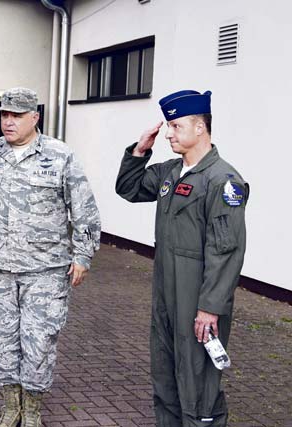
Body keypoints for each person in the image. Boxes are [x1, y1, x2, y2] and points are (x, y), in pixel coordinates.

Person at [0, 87, 101, 427]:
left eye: (16, 115)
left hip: (45, 270)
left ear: (35, 117)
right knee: (2, 342)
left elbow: (85, 210)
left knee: (40, 341)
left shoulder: (59, 155)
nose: (8, 121)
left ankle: (32, 409)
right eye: (4, 114)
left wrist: (83, 255)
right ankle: (10, 407)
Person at [115, 90, 249, 426]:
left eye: (176, 126)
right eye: (168, 126)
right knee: (165, 375)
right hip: (165, 294)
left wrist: (210, 307)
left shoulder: (223, 181)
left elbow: (226, 250)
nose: (169, 134)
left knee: (197, 382)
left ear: (200, 127)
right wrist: (139, 150)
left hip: (197, 299)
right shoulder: (170, 172)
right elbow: (129, 188)